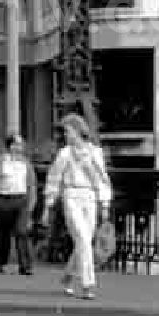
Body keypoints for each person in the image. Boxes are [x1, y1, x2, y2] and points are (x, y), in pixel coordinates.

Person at [40, 113, 112, 300]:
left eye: (68, 131)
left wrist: (104, 203)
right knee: (82, 237)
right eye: (65, 131)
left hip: (89, 197)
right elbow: (54, 178)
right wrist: (49, 204)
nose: (66, 135)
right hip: (71, 196)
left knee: (84, 241)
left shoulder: (95, 152)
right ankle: (88, 284)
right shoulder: (65, 153)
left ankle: (68, 276)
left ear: (79, 131)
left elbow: (102, 178)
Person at [0, 133, 36, 275]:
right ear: (10, 146)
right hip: (3, 200)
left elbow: (31, 185)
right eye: (16, 144)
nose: (20, 147)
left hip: (21, 200)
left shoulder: (26, 163)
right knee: (2, 235)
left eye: (21, 144)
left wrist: (31, 204)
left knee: (22, 232)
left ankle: (25, 266)